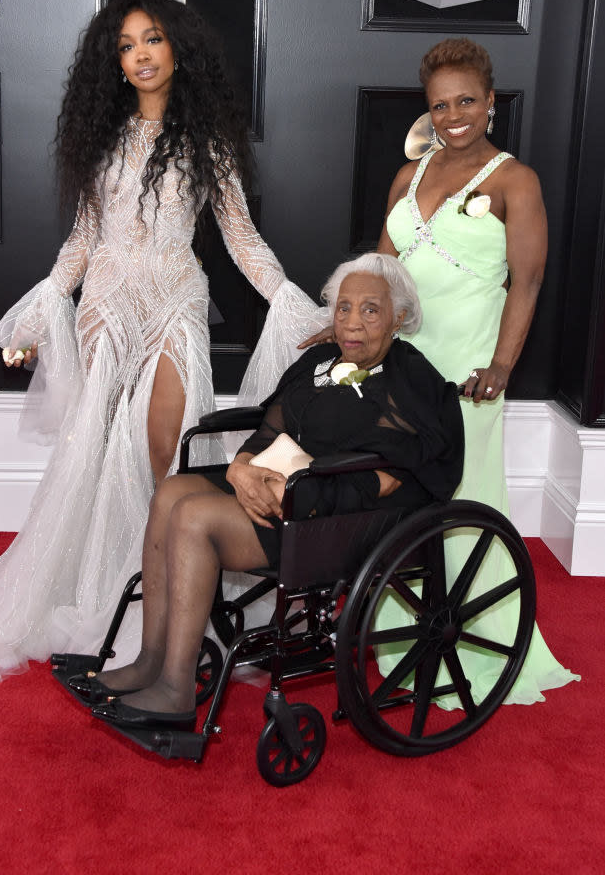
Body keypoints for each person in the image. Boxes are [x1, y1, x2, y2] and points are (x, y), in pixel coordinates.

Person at [0, 0, 318, 682]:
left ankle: (177, 589)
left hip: (176, 301)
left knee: (166, 445)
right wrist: (40, 313)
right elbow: (82, 240)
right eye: (125, 46)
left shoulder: (208, 142)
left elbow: (241, 240)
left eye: (150, 39)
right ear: (115, 65)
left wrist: (293, 306)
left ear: (177, 49)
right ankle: (97, 585)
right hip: (106, 302)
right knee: (94, 444)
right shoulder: (103, 138)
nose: (139, 55)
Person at [69, 254, 464, 726]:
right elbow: (270, 423)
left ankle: (176, 690)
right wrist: (241, 469)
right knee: (172, 491)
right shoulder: (320, 359)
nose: (352, 322)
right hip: (290, 483)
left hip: (336, 512)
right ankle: (152, 659)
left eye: (370, 310)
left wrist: (296, 492)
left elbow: (388, 475)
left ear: (398, 316)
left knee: (194, 517)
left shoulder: (413, 381)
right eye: (343, 308)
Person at [302, 37, 578, 705]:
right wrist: (346, 334)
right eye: (438, 105)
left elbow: (528, 280)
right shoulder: (409, 176)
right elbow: (380, 277)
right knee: (398, 499)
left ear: (489, 103)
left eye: (464, 101)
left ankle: (467, 637)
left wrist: (501, 365)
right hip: (400, 364)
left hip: (466, 372)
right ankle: (398, 630)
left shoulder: (515, 181)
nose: (452, 115)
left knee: (461, 503)